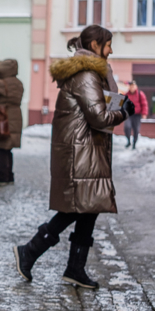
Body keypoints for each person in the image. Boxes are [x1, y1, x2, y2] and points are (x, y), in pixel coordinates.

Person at [13, 25, 134, 289]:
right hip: (81, 152)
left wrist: (119, 105)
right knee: (74, 209)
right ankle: (30, 251)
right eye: (108, 44)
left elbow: (104, 108)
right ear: (95, 46)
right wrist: (124, 112)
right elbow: (99, 116)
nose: (111, 50)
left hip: (87, 150)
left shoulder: (94, 73)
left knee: (89, 209)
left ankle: (74, 268)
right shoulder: (86, 75)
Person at [123, 81, 148, 149]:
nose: (132, 88)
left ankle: (134, 143)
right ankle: (128, 141)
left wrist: (144, 113)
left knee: (136, 129)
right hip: (128, 114)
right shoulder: (126, 95)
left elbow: (144, 104)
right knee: (127, 127)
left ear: (136, 87)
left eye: (133, 86)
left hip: (137, 115)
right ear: (129, 87)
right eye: (131, 86)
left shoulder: (140, 94)